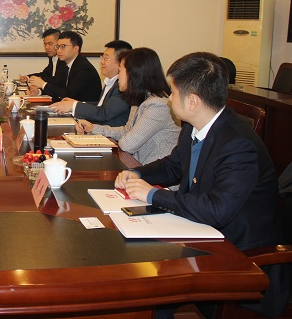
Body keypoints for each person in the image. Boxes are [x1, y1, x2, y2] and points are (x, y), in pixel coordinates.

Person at [115, 52, 283, 318]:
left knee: (151, 281)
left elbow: (216, 210)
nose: (169, 98)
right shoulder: (194, 126)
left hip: (238, 253)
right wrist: (136, 173)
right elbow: (173, 166)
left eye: (173, 92)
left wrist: (153, 195)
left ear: (192, 101)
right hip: (200, 230)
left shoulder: (238, 144)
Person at [76, 48, 179, 165]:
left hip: (156, 173)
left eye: (120, 72)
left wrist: (123, 135)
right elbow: (126, 130)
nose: (118, 77)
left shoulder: (157, 106)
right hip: (138, 166)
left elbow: (127, 144)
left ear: (134, 74)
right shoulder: (139, 99)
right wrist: (93, 128)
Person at [50, 40, 132, 127]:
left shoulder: (124, 87)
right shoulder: (111, 81)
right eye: (102, 57)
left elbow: (104, 113)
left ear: (120, 62)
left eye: (106, 58)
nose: (102, 62)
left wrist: (73, 105)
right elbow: (100, 105)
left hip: (110, 133)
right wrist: (76, 103)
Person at [29, 30, 101, 102]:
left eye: (63, 47)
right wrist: (39, 91)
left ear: (75, 49)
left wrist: (43, 85)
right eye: (58, 47)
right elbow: (59, 87)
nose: (59, 50)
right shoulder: (65, 64)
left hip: (84, 108)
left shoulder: (84, 68)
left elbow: (68, 94)